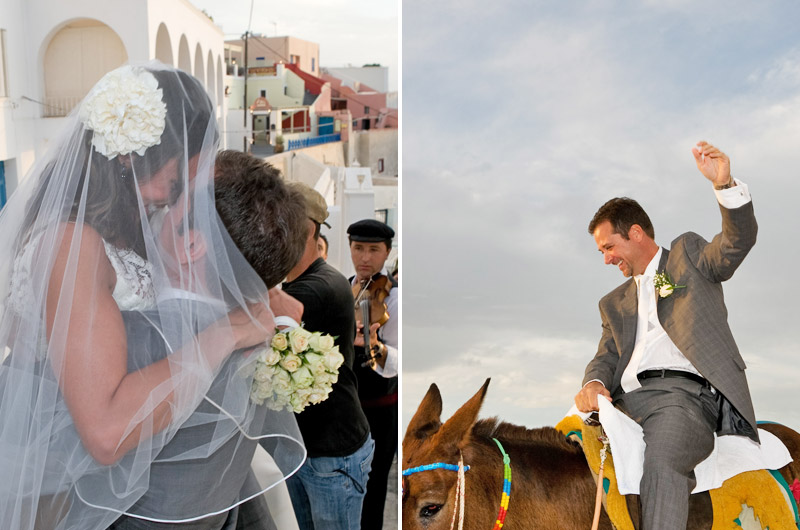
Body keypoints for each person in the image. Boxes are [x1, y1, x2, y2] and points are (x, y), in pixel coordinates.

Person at [0, 63, 304, 529]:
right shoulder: (72, 245)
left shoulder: (129, 222)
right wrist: (224, 332)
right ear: (129, 157)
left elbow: (204, 261)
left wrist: (258, 292)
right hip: (58, 483)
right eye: (181, 182)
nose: (178, 198)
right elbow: (104, 432)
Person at [110, 150, 309, 528]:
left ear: (191, 246)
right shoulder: (270, 344)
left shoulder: (130, 342)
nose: (158, 207)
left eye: (174, 199)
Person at [574, 142, 758, 530]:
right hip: (621, 405)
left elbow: (733, 246)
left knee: (662, 461)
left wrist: (725, 187)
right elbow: (606, 357)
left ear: (636, 233)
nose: (605, 258)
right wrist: (592, 383)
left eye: (609, 246)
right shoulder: (612, 303)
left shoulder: (686, 255)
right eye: (601, 251)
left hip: (683, 403)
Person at [261, 183, 373, 530]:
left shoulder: (317, 287)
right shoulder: (307, 281)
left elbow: (254, 314)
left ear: (305, 229)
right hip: (308, 450)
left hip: (331, 456)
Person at [347, 219, 397, 529]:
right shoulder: (341, 288)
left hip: (381, 412)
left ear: (387, 253)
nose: (365, 257)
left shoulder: (395, 298)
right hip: (348, 407)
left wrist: (377, 348)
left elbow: (399, 361)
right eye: (358, 248)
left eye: (374, 250)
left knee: (374, 489)